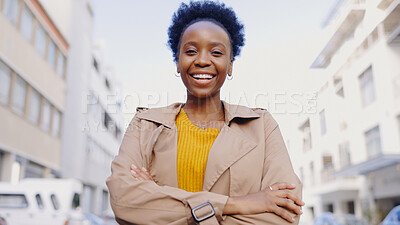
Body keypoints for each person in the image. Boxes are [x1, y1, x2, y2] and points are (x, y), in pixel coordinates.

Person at [106, 1, 304, 224]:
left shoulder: (262, 126)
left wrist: (159, 197)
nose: (201, 60)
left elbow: (284, 214)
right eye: (190, 51)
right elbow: (124, 201)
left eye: (216, 52)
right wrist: (236, 204)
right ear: (178, 62)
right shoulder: (144, 125)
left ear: (230, 65)